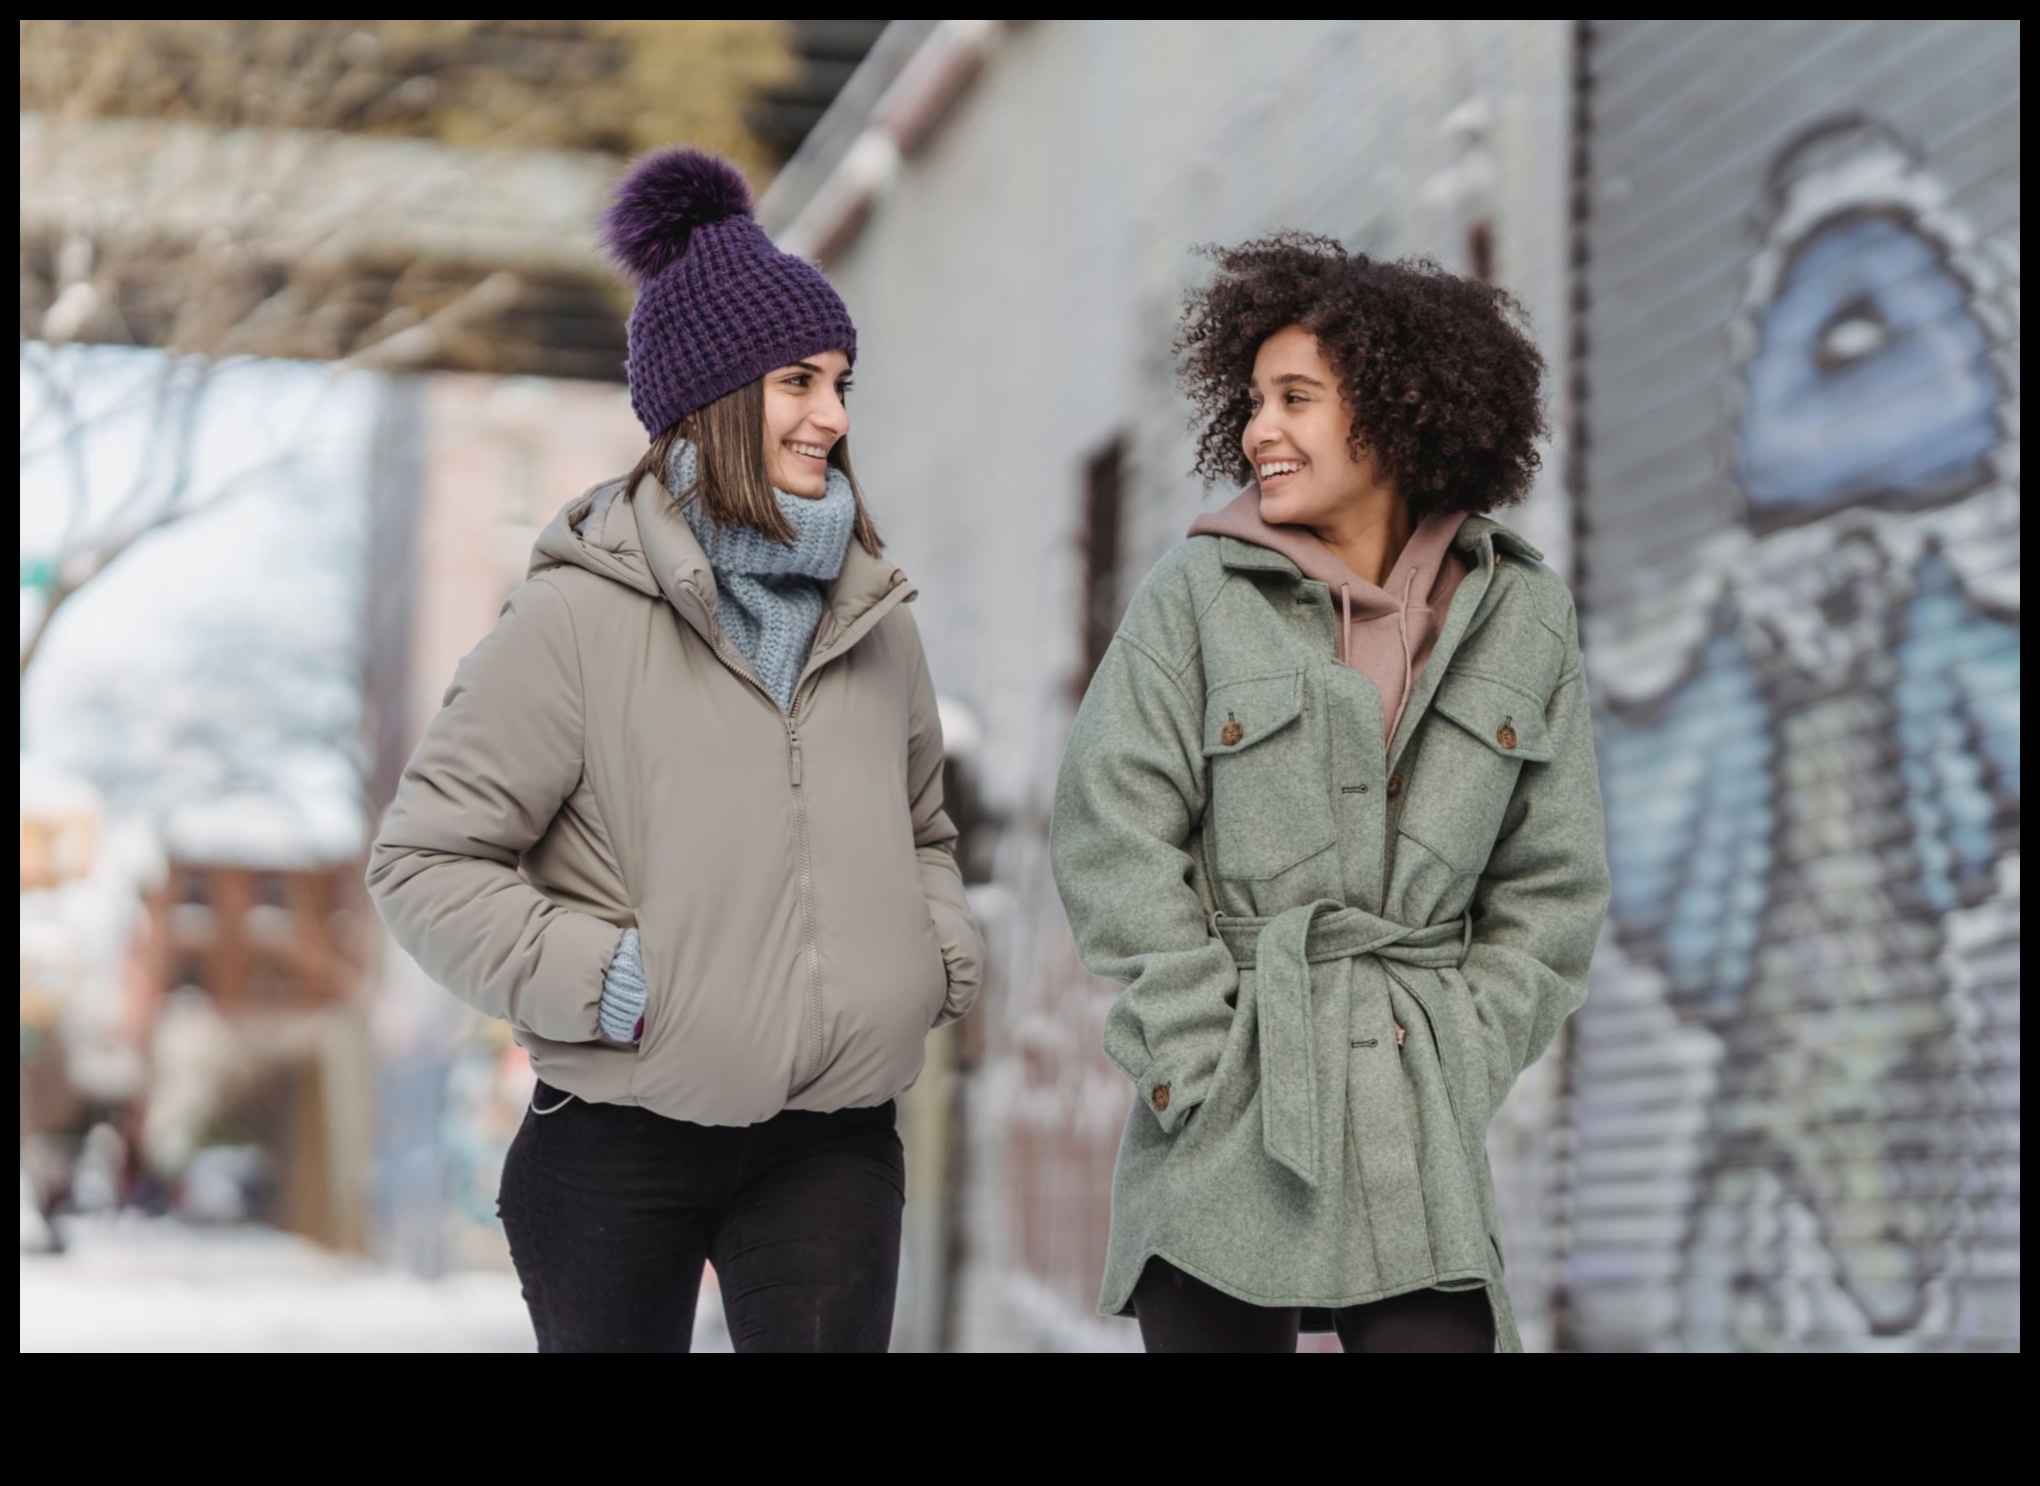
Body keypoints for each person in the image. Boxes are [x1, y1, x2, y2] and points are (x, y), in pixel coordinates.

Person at [367, 148, 983, 1353]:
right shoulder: (576, 618)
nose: (835, 415)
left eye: (843, 383)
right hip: (617, 1138)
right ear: (712, 397)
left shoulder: (875, 618)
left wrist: (932, 956)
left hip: (832, 1136)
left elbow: (925, 830)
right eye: (801, 381)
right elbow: (425, 860)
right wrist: (605, 977)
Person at [1051, 233, 1609, 1352]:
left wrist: (1464, 1042)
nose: (1261, 430)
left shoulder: (1521, 613)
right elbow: (1112, 826)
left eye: (1296, 398)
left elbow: (1555, 884)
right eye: (1253, 401)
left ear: (1400, 408)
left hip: (1416, 1130)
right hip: (1226, 1112)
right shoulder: (1198, 594)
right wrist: (1193, 1056)